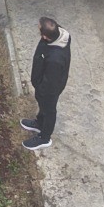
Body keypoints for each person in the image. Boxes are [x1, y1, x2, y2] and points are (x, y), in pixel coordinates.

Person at [22, 15, 71, 150]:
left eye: (39, 30)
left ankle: (44, 137)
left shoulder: (55, 59)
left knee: (49, 110)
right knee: (43, 107)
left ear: (45, 36)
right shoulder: (59, 33)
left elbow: (51, 83)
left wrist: (40, 88)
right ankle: (39, 123)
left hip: (49, 89)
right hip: (45, 84)